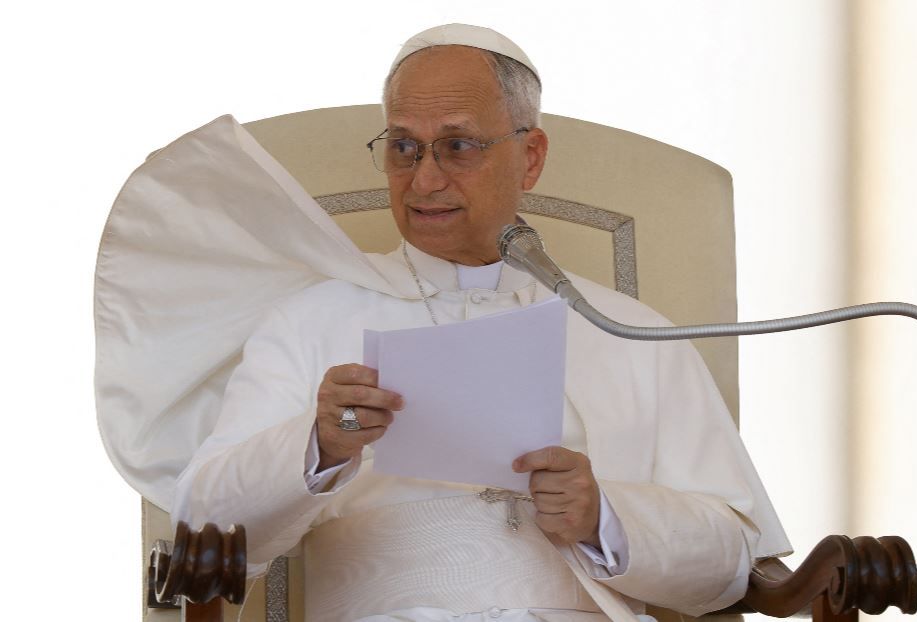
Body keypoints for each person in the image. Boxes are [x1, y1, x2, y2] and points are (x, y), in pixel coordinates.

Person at [169, 24, 791, 622]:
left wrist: (604, 516)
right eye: (403, 147)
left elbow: (733, 561)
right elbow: (200, 527)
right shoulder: (309, 319)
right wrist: (321, 445)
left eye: (458, 146)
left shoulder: (628, 330)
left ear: (531, 156)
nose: (425, 179)